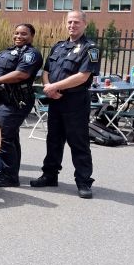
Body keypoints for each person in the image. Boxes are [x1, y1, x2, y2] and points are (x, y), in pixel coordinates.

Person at [31, 11, 98, 199]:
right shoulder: (58, 46)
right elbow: (46, 71)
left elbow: (83, 76)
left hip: (75, 101)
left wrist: (54, 86)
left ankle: (83, 181)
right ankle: (50, 175)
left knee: (78, 142)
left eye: (76, 22)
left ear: (84, 24)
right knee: (53, 139)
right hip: (55, 99)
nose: (72, 25)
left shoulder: (90, 48)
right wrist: (49, 88)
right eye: (69, 22)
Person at [0, 23, 43, 187]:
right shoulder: (6, 52)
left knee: (3, 137)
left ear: (32, 36)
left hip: (16, 101)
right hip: (1, 99)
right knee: (11, 137)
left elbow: (21, 74)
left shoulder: (31, 54)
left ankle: (9, 176)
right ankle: (9, 172)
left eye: (24, 34)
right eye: (16, 33)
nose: (19, 36)